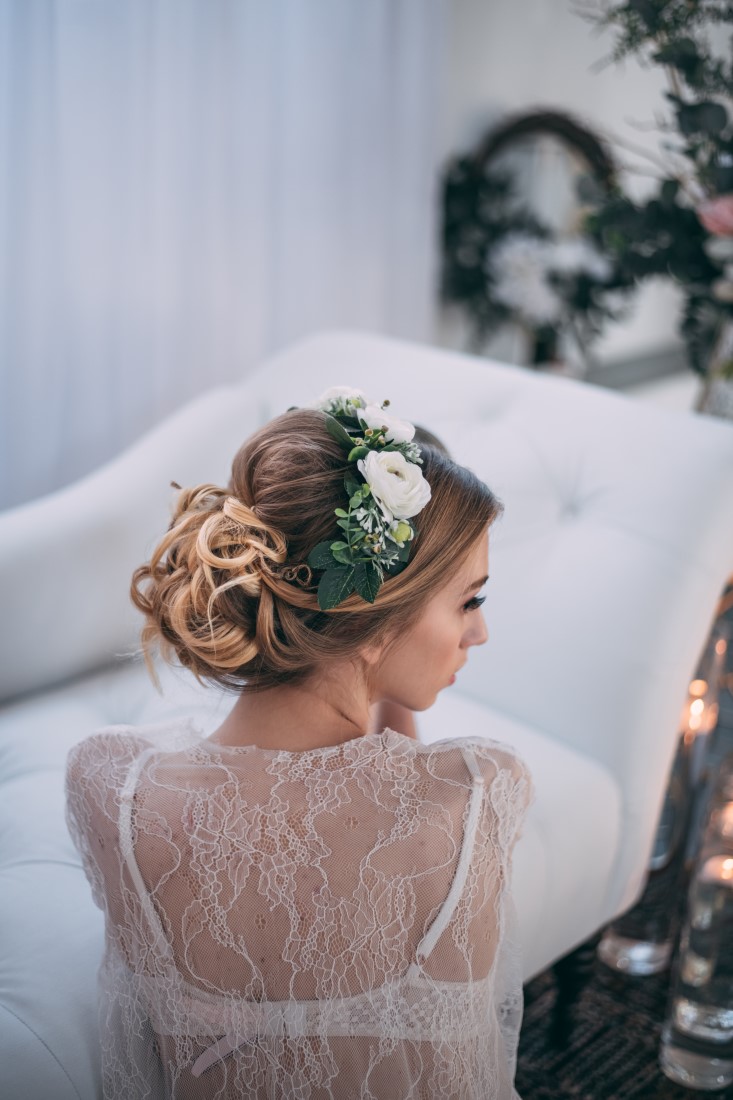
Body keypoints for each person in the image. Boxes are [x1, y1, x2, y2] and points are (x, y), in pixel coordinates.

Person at [65, 386, 533, 1100]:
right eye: (469, 601)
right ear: (372, 620)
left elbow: (141, 1068)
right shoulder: (474, 796)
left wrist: (375, 673)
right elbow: (465, 1076)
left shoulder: (111, 789)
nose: (479, 633)